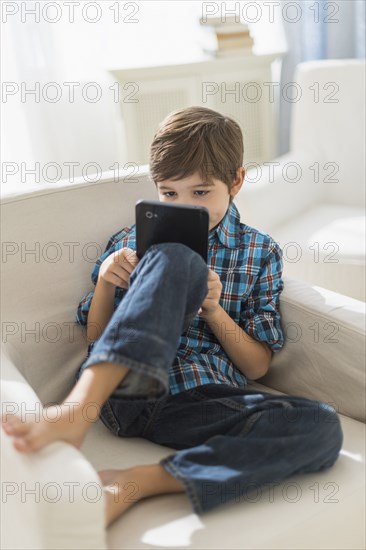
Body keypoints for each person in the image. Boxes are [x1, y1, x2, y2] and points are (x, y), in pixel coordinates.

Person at [1, 106, 343, 528]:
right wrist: (107, 283)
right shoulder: (131, 241)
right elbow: (98, 337)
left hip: (200, 403)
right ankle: (78, 410)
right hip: (125, 392)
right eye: (169, 193)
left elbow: (257, 366)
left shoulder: (260, 253)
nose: (184, 205)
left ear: (235, 181)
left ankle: (136, 483)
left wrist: (214, 309)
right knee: (178, 257)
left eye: (201, 193)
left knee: (321, 426)